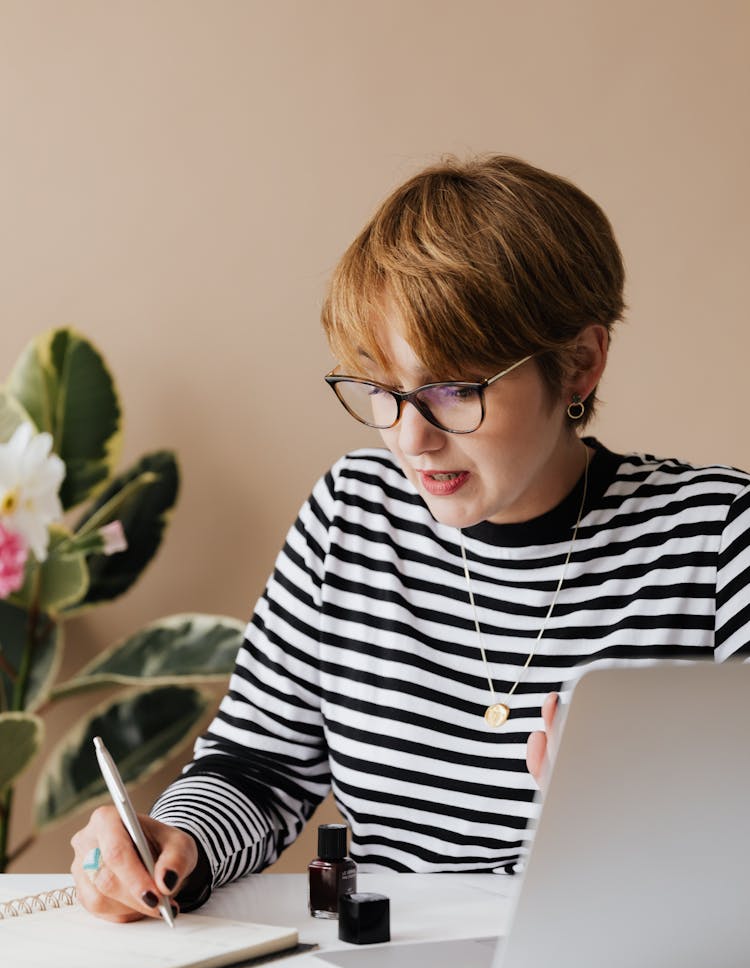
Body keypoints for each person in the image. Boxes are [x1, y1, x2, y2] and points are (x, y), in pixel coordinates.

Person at [71, 154, 750, 922]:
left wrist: (642, 810)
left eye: (454, 391)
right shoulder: (351, 514)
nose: (411, 438)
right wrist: (175, 837)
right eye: (383, 392)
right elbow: (257, 767)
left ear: (581, 364)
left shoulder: (719, 538)